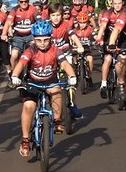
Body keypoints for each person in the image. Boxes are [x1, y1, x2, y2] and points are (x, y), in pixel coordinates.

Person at [9, 20, 77, 157]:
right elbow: (21, 64)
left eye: (46, 40)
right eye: (39, 40)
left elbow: (64, 64)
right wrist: (15, 75)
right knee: (29, 106)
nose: (43, 43)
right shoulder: (30, 50)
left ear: (50, 38)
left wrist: (72, 76)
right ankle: (25, 140)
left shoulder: (55, 50)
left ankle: (57, 120)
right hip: (32, 82)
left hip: (50, 80)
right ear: (34, 39)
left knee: (57, 91)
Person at [96, 0, 126, 99]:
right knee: (108, 59)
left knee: (123, 60)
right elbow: (103, 26)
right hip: (108, 39)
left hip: (122, 40)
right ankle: (104, 84)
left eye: (119, 3)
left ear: (123, 3)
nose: (117, 6)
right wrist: (98, 37)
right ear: (112, 3)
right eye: (115, 3)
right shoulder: (107, 13)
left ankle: (122, 82)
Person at [1, 0, 38, 75]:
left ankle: (32, 73)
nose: (24, 3)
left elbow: (39, 21)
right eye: (21, 1)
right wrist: (4, 33)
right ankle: (14, 74)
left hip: (30, 36)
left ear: (29, 1)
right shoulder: (14, 10)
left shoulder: (33, 9)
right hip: (18, 37)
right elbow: (8, 22)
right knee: (14, 55)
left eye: (26, 1)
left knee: (34, 54)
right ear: (18, 2)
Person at [73, 11, 95, 91]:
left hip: (87, 48)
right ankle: (75, 65)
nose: (82, 24)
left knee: (90, 59)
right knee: (73, 55)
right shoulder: (75, 30)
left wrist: (96, 40)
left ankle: (89, 76)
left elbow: (95, 36)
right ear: (78, 22)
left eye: (84, 22)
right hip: (77, 48)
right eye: (81, 23)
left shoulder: (90, 29)